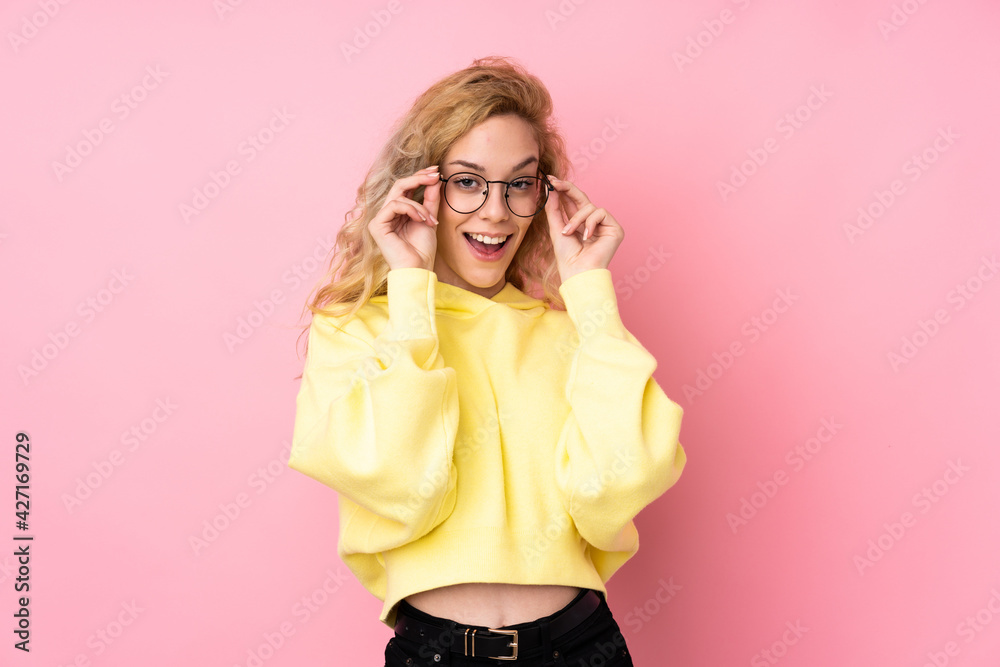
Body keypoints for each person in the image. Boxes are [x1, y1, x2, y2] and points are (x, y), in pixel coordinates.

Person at [288, 55, 687, 666]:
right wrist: (412, 291)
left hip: (581, 647)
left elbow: (619, 485)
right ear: (421, 189)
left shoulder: (573, 332)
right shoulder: (356, 329)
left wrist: (590, 294)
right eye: (468, 182)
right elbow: (404, 487)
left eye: (519, 184)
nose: (496, 212)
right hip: (436, 652)